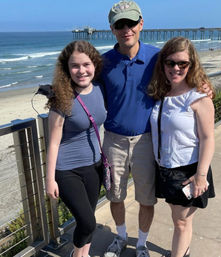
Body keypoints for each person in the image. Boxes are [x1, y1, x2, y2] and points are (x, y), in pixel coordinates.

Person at [99, 1, 160, 257]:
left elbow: (185, 74)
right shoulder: (103, 62)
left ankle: (142, 244)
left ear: (141, 24)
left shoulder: (157, 58)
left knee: (147, 198)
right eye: (120, 24)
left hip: (146, 140)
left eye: (131, 23)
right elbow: (78, 85)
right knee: (115, 195)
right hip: (113, 140)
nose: (127, 29)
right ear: (112, 29)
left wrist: (204, 88)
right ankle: (121, 237)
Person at [148, 37, 216, 257]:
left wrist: (201, 175)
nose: (175, 68)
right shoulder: (160, 93)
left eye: (182, 64)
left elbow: (208, 139)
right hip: (165, 167)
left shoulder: (199, 98)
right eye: (170, 63)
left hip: (188, 170)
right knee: (180, 220)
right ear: (163, 64)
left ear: (191, 65)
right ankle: (184, 252)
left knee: (181, 223)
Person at [45, 40, 107, 257]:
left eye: (86, 64)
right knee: (88, 222)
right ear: (67, 68)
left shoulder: (100, 89)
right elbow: (53, 143)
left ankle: (82, 254)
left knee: (88, 216)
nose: (81, 71)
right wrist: (49, 179)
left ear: (95, 65)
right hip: (67, 170)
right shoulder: (61, 98)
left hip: (94, 165)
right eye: (75, 66)